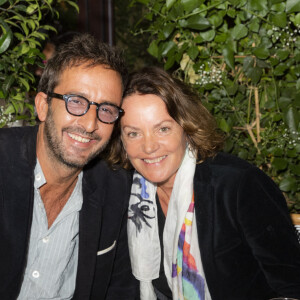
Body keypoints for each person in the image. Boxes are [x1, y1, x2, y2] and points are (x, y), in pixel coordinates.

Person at [106, 67, 300, 300]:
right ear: (121, 141)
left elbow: (291, 287)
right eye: (134, 133)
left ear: (186, 128)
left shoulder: (239, 187)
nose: (149, 147)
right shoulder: (123, 196)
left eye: (163, 129)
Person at [0, 33, 138, 299]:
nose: (89, 124)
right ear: (42, 105)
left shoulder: (117, 191)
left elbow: (121, 288)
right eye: (76, 101)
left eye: (106, 110)